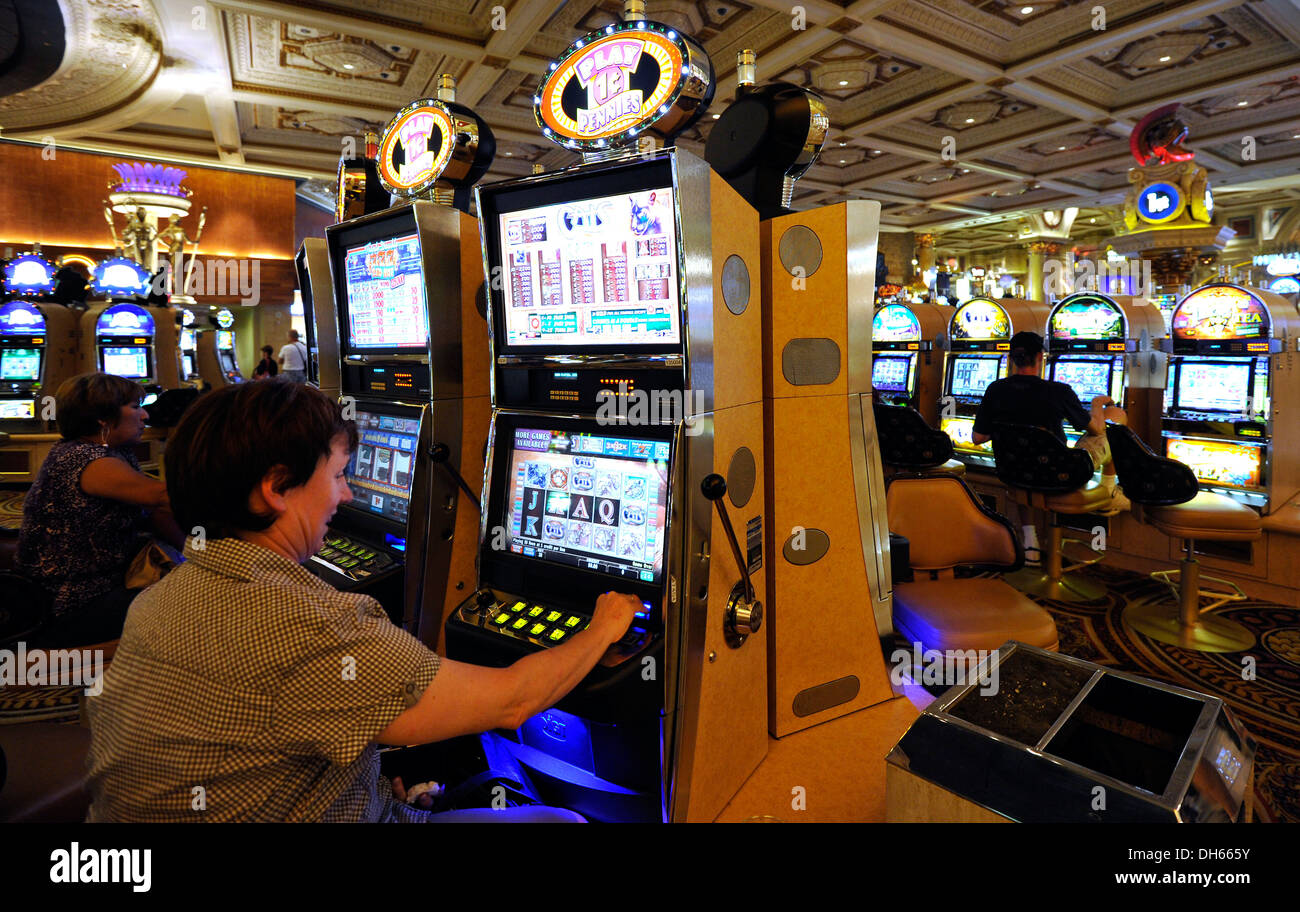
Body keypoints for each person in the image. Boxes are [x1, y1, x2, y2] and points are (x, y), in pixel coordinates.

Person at [86, 380, 641, 822]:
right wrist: (605, 625)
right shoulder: (314, 625)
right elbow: (513, 702)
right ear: (277, 488)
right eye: (338, 475)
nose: (348, 495)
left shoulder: (166, 593)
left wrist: (361, 789)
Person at [18, 373, 185, 647]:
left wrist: (195, 551)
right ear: (102, 418)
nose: (144, 415)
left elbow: (156, 512)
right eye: (134, 406)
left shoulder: (113, 452)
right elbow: (165, 497)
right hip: (72, 603)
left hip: (108, 582)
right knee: (199, 599)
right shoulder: (86, 459)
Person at [972, 330, 1130, 513]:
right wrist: (1097, 403)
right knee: (1114, 420)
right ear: (1040, 356)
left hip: (1014, 472)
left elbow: (977, 437)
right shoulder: (1059, 391)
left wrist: (1011, 429)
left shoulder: (995, 389)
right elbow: (1096, 429)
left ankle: (1030, 536)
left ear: (1011, 358)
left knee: (1023, 458)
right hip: (1061, 474)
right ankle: (1109, 492)